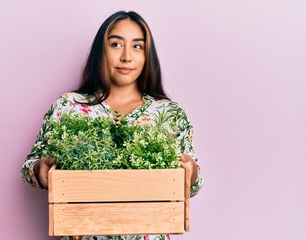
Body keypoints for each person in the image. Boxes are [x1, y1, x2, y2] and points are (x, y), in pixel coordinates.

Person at [21, 10, 203, 240]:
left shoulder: (169, 113)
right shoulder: (68, 106)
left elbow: (194, 185)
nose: (126, 56)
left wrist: (191, 172)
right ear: (101, 51)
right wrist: (40, 170)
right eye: (116, 44)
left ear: (148, 56)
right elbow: (30, 167)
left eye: (137, 46)